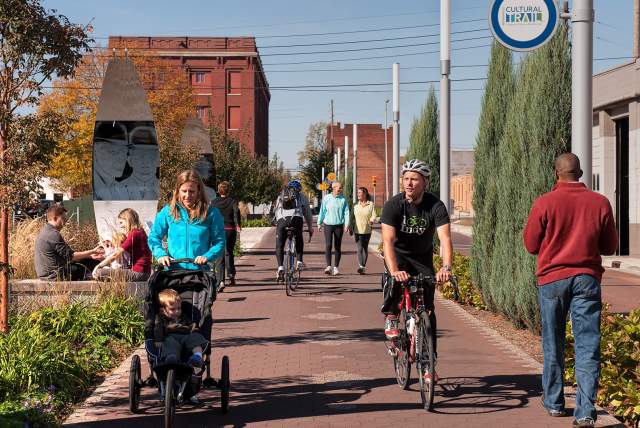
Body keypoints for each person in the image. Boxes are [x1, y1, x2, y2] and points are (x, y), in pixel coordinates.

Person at [523, 153, 617, 427]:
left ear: (556, 173)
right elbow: (609, 247)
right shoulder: (600, 202)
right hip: (587, 278)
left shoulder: (544, 202)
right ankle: (586, 411)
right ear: (581, 173)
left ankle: (554, 402)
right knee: (588, 343)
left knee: (553, 341)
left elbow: (531, 245)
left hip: (552, 279)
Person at [380, 159, 453, 380]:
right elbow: (387, 241)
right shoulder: (394, 205)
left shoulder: (435, 206)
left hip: (422, 259)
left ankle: (429, 364)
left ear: (425, 182)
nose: (409, 183)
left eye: (414, 179)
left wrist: (446, 267)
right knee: (395, 281)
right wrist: (394, 271)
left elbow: (445, 239)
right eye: (406, 179)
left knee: (428, 311)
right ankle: (392, 315)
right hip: (399, 256)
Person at [148, 170, 225, 271]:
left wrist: (207, 256)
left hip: (199, 274)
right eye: (184, 191)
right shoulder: (168, 212)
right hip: (173, 273)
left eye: (192, 191)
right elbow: (154, 237)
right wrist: (160, 254)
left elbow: (219, 242)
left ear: (199, 191)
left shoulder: (211, 213)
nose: (188, 196)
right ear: (178, 191)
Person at [34, 205, 104, 280]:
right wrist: (93, 251)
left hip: (45, 275)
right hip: (55, 276)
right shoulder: (53, 234)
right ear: (55, 218)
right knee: (90, 264)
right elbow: (71, 257)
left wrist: (90, 256)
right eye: (63, 218)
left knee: (86, 260)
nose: (66, 221)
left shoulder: (45, 231)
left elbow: (67, 257)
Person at [92, 208, 152, 282]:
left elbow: (116, 254)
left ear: (128, 220)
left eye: (121, 222)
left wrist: (99, 265)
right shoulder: (140, 232)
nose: (120, 226)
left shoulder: (135, 234)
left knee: (98, 273)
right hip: (143, 272)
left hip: (138, 273)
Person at [155, 288, 207, 367]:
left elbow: (192, 325)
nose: (177, 311)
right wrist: (158, 340)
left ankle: (197, 356)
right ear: (163, 310)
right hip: (171, 337)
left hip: (186, 336)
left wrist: (194, 331)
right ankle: (171, 357)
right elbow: (158, 328)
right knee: (169, 343)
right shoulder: (161, 318)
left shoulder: (183, 317)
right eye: (172, 309)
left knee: (195, 338)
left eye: (179, 308)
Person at [274, 179, 313, 281]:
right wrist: (310, 227)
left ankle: (280, 267)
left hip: (282, 221)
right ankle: (299, 261)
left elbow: (276, 211)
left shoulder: (280, 196)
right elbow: (308, 214)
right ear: (298, 189)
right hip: (296, 219)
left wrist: (278, 225)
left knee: (279, 245)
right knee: (299, 237)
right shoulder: (303, 197)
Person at [211, 181, 241, 291]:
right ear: (228, 191)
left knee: (219, 256)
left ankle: (221, 281)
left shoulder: (213, 202)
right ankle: (231, 275)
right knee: (229, 252)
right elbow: (236, 212)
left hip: (218, 230)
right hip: (230, 230)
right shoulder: (232, 201)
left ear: (218, 191)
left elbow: (211, 215)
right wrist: (238, 225)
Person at [317, 181, 350, 276]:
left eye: (341, 187)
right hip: (328, 224)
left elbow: (346, 212)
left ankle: (336, 267)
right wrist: (319, 222)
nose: (340, 189)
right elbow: (322, 210)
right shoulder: (327, 198)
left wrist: (346, 224)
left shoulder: (343, 199)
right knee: (328, 245)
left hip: (339, 225)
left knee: (337, 246)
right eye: (339, 187)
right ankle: (328, 266)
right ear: (334, 187)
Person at [353, 187, 377, 274]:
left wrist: (372, 220)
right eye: (358, 192)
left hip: (367, 229)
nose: (358, 194)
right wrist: (349, 226)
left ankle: (363, 266)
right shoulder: (355, 205)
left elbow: (374, 215)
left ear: (365, 194)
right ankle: (361, 266)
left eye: (360, 193)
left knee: (365, 247)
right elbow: (352, 216)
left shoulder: (370, 204)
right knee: (359, 248)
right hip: (357, 229)